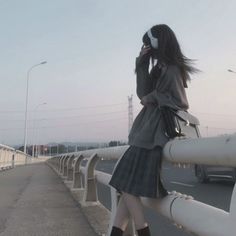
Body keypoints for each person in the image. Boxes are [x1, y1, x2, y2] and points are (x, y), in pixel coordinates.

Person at [108, 24, 198, 236]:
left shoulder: (174, 69)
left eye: (148, 45)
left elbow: (180, 102)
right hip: (144, 132)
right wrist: (142, 63)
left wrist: (153, 98)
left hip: (155, 134)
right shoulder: (160, 67)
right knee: (126, 185)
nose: (147, 48)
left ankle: (143, 231)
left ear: (159, 43)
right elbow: (142, 92)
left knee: (124, 183)